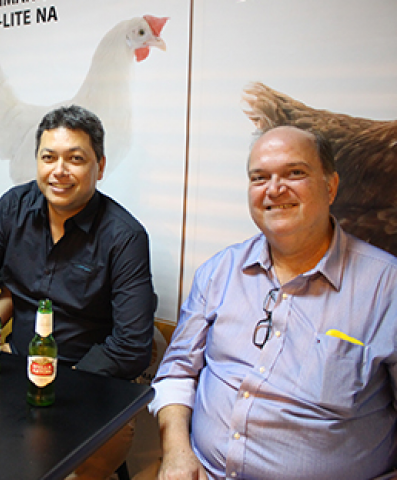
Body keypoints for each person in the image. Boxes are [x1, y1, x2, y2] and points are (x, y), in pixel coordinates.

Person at [150, 126, 397, 480]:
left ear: (331, 186)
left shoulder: (386, 287)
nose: (274, 189)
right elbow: (177, 372)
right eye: (260, 177)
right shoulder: (220, 271)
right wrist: (176, 453)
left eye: (294, 173)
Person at [0, 105, 157, 479]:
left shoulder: (124, 237)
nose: (59, 171)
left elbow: (132, 346)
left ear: (100, 167)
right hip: (16, 373)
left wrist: (57, 382)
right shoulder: (14, 208)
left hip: (89, 386)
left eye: (76, 159)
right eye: (48, 157)